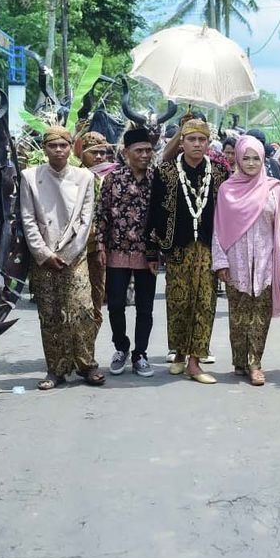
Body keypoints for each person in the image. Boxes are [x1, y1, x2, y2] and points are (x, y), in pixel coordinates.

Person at [20, 125, 104, 389]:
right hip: (42, 255)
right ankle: (56, 369)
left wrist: (67, 254)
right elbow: (28, 218)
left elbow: (85, 219)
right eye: (52, 145)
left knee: (83, 310)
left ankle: (87, 365)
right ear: (44, 148)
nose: (58, 150)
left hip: (75, 255)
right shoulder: (30, 177)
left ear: (71, 148)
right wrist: (43, 254)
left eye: (63, 145)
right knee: (50, 313)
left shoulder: (85, 177)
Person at [147, 117, 229, 383]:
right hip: (177, 249)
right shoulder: (167, 171)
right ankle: (180, 354)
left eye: (201, 140)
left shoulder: (218, 172)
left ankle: (195, 361)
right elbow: (155, 214)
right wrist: (152, 251)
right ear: (181, 142)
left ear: (208, 144)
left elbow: (227, 213)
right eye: (191, 139)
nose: (196, 144)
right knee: (179, 301)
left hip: (208, 248)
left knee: (205, 302)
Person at [212, 134, 280, 386]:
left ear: (263, 159)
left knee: (260, 315)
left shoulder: (274, 189)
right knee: (238, 315)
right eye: (245, 158)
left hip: (266, 260)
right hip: (236, 260)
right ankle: (240, 360)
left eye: (255, 158)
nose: (250, 163)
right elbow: (218, 227)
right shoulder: (227, 189)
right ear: (237, 159)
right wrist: (220, 262)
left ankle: (255, 363)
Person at [97, 126, 158, 378]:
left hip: (148, 253)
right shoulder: (113, 179)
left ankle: (140, 353)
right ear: (126, 152)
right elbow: (101, 213)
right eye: (139, 150)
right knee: (116, 305)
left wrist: (156, 252)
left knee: (145, 307)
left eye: (148, 150)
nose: (145, 155)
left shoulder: (158, 179)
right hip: (117, 250)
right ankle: (121, 347)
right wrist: (100, 244)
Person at [79, 130, 115, 336]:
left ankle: (89, 342)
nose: (99, 157)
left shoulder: (111, 177)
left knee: (96, 295)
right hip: (75, 247)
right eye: (93, 152)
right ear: (81, 153)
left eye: (102, 152)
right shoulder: (71, 175)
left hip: (99, 248)